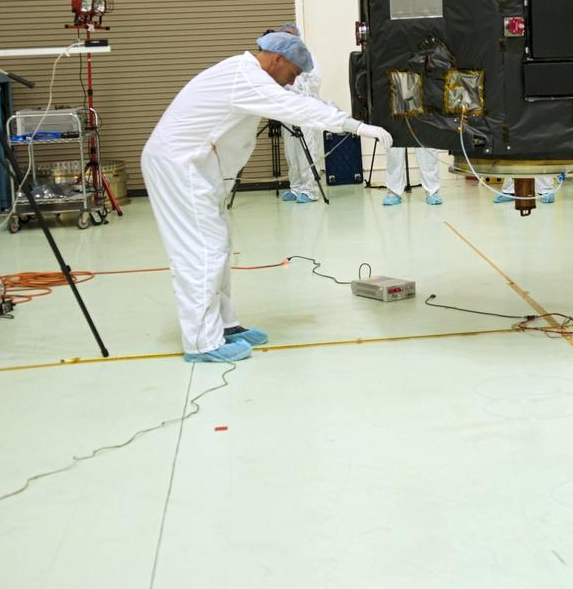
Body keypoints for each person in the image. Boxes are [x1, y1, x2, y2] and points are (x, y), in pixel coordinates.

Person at [141, 32, 393, 363]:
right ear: (277, 59)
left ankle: (226, 326)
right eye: (292, 73)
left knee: (216, 246)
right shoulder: (245, 76)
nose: (292, 82)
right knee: (202, 251)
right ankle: (202, 342)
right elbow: (293, 107)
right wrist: (352, 126)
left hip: (194, 169)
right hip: (180, 167)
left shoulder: (246, 74)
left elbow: (294, 101)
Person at [275, 21, 325, 204]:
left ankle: (310, 190)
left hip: (305, 108)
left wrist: (297, 87)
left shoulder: (307, 55)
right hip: (287, 110)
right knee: (291, 151)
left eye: (291, 35)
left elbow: (315, 80)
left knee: (307, 149)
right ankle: (295, 187)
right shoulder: (279, 58)